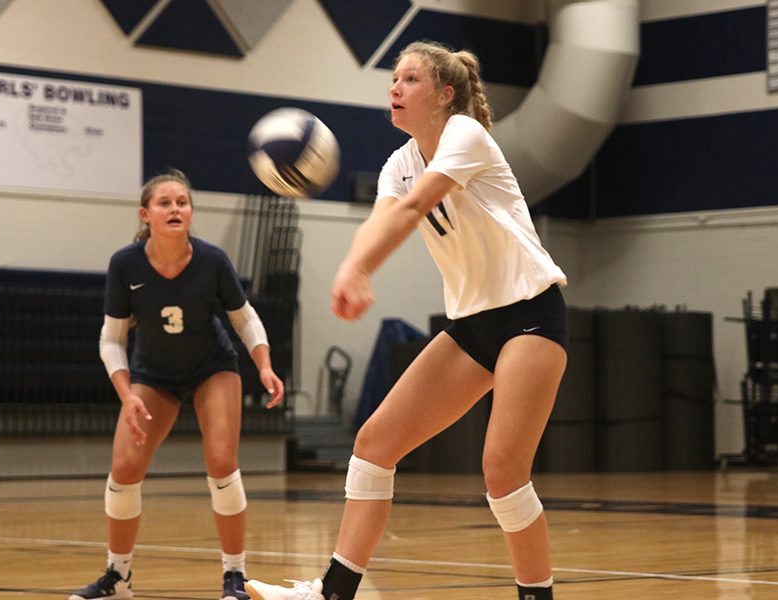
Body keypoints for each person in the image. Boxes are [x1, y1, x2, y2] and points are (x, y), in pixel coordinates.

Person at [245, 41, 568, 600]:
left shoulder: (465, 135)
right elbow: (382, 220)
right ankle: (332, 593)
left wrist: (358, 270)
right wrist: (354, 265)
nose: (395, 87)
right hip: (472, 326)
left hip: (530, 316)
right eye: (393, 78)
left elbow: (416, 207)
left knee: (502, 472)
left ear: (445, 95)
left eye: (411, 79)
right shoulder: (399, 162)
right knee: (374, 443)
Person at [69, 169, 285, 600]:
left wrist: (263, 365)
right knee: (125, 470)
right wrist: (127, 393)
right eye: (165, 203)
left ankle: (234, 576)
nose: (175, 209)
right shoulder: (125, 264)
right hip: (153, 374)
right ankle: (118, 577)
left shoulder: (212, 260)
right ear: (145, 214)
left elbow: (246, 320)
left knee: (222, 462)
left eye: (182, 202)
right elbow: (112, 338)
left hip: (212, 367)